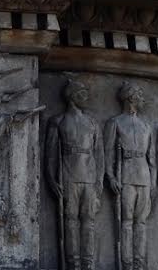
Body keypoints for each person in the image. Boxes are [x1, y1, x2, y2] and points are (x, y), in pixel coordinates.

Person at [45, 80, 104, 270]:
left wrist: (99, 182)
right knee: (70, 221)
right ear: (71, 95)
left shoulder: (93, 122)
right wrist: (51, 178)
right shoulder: (58, 121)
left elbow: (99, 155)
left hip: (89, 177)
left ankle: (88, 263)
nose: (86, 96)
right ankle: (73, 263)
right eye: (82, 92)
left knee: (89, 221)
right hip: (68, 176)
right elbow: (51, 154)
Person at [104, 82, 156, 270]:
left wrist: (154, 185)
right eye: (140, 96)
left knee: (141, 222)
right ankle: (127, 264)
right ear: (131, 98)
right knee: (126, 222)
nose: (143, 99)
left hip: (144, 177)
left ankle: (139, 264)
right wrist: (110, 176)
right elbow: (108, 153)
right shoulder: (115, 122)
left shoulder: (146, 126)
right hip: (125, 176)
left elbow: (152, 159)